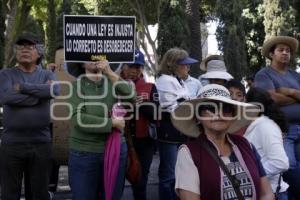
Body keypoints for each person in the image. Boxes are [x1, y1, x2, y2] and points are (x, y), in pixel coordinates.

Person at [172, 84, 274, 200]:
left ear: (232, 115)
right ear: (198, 117)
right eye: (210, 108)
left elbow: (267, 193)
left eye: (226, 108)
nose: (219, 113)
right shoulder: (188, 152)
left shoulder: (246, 145)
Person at [0, 32, 60, 200]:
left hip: (41, 143)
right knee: (9, 194)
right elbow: (6, 97)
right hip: (12, 144)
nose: (24, 50)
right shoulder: (5, 74)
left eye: (30, 46)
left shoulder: (47, 74)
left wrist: (23, 87)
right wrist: (39, 95)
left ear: (39, 52)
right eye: (21, 46)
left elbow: (54, 90)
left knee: (39, 194)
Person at [67, 60, 135, 200]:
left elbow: (132, 96)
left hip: (115, 151)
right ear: (81, 64)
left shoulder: (113, 82)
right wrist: (112, 123)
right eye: (88, 58)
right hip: (84, 153)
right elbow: (78, 119)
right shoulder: (75, 87)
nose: (94, 59)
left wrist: (110, 72)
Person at [254, 35, 300, 198]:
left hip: (299, 127)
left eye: (288, 50)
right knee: (289, 165)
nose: (285, 53)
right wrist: (296, 96)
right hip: (281, 129)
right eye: (281, 50)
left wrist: (288, 91)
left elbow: (279, 96)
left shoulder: (295, 75)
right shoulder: (264, 75)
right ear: (271, 54)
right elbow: (270, 98)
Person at [155, 47, 199, 200]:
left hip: (181, 130)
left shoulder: (178, 80)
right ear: (172, 65)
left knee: (180, 172)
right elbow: (172, 106)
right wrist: (188, 105)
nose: (187, 67)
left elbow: (184, 102)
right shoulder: (164, 80)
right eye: (184, 64)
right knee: (169, 174)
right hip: (170, 130)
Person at [244, 87, 289, 199]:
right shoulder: (257, 125)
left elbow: (280, 162)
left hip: (272, 192)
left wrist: (250, 174)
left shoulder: (265, 126)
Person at [125, 49, 158, 200]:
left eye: (137, 67)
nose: (134, 70)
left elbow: (157, 114)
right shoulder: (113, 85)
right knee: (116, 178)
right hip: (120, 140)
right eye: (130, 66)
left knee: (141, 179)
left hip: (145, 141)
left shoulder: (150, 87)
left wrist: (141, 103)